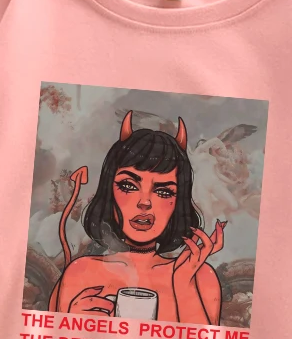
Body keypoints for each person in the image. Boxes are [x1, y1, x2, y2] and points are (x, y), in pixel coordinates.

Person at [49, 110, 225, 324]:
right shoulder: (80, 273)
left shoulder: (200, 277)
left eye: (163, 191)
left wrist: (183, 285)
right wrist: (72, 324)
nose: (145, 202)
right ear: (109, 191)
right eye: (128, 186)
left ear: (178, 203)